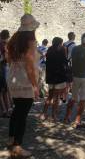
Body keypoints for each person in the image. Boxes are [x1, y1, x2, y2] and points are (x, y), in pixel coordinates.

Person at [7, 14, 40, 157]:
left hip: (13, 78)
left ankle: (11, 139)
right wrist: (35, 85)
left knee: (16, 110)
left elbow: (8, 60)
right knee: (22, 114)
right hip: (25, 80)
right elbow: (30, 66)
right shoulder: (30, 41)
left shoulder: (13, 40)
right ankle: (17, 146)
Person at [64, 33, 85, 128]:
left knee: (73, 98)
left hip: (75, 76)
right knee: (83, 100)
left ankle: (66, 117)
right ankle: (77, 121)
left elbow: (71, 60)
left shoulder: (74, 49)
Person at [41, 37, 68, 122]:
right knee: (56, 98)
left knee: (50, 96)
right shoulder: (61, 52)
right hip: (59, 77)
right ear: (59, 43)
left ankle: (44, 114)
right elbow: (64, 63)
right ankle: (54, 115)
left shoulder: (49, 51)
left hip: (51, 77)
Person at [0, 30, 11, 117]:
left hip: (2, 69)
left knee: (3, 91)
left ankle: (5, 110)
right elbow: (6, 58)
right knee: (4, 91)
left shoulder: (3, 44)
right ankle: (6, 110)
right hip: (3, 69)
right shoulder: (4, 45)